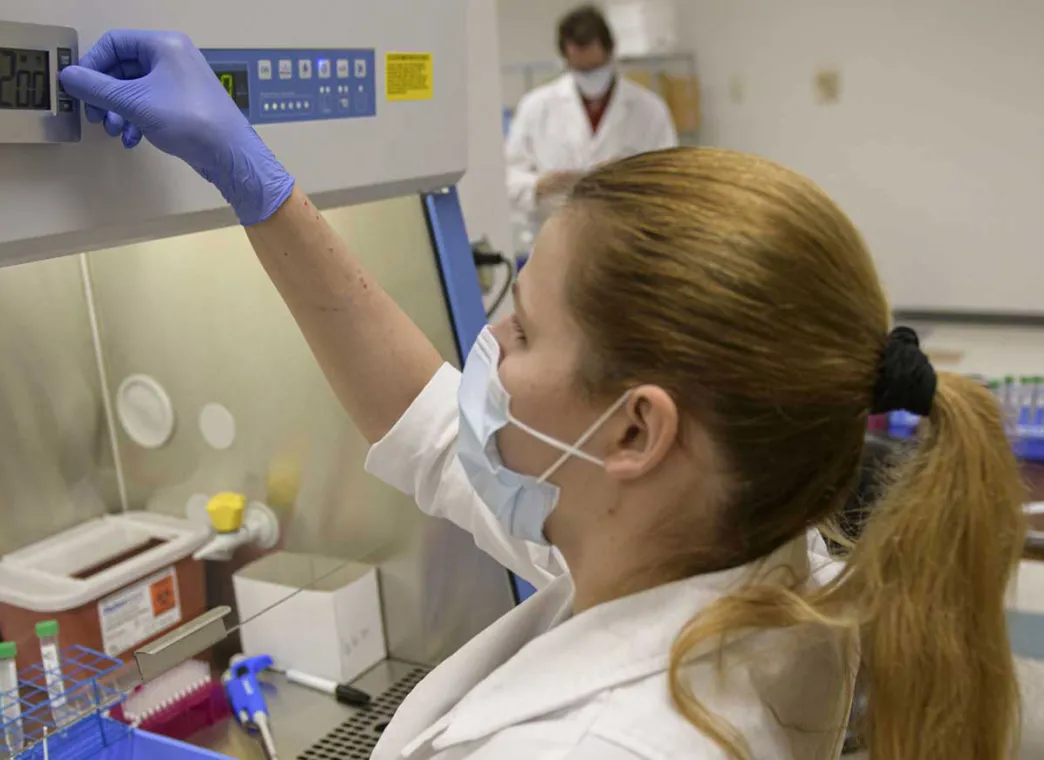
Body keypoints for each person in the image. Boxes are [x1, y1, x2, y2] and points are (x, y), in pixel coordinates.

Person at [60, 30, 1027, 760]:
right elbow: (431, 425)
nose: (486, 345)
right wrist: (255, 184)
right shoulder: (738, 555)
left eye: (519, 328)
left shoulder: (594, 743)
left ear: (637, 429)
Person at [505, 5, 678, 250]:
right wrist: (539, 185)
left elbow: (672, 178)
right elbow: (508, 178)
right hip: (557, 244)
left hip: (628, 243)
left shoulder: (648, 109)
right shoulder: (536, 107)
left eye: (596, 69)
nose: (590, 77)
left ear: (611, 53)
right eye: (581, 70)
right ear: (566, 60)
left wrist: (630, 176)